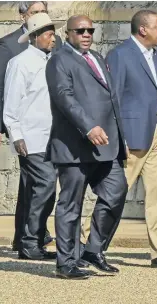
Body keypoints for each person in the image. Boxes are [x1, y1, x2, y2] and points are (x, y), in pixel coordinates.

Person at [97, 10, 157, 268]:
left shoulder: (156, 56)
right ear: (142, 30)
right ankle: (89, 244)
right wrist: (118, 138)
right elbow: (111, 99)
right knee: (114, 192)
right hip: (131, 137)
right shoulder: (120, 55)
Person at [45, 15, 128, 279]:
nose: (86, 34)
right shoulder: (59, 60)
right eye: (80, 30)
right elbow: (64, 98)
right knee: (71, 204)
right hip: (74, 145)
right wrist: (89, 127)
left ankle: (93, 249)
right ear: (67, 33)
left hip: (106, 145)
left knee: (116, 190)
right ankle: (66, 262)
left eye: (90, 30)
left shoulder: (98, 58)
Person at [0, 1, 62, 252]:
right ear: (35, 37)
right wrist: (16, 135)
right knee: (43, 187)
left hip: (53, 137)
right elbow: (10, 104)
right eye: (50, 34)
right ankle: (30, 241)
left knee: (46, 191)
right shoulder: (20, 63)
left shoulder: (52, 60)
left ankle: (34, 239)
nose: (54, 39)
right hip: (31, 139)